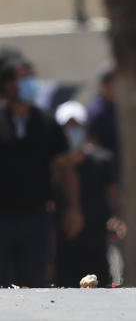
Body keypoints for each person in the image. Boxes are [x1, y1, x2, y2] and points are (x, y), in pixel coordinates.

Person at [0, 54, 84, 287]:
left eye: (31, 77)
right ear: (7, 84)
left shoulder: (47, 122)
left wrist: (73, 208)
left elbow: (66, 168)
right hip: (2, 219)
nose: (31, 84)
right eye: (23, 78)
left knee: (35, 282)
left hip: (36, 218)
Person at [52, 101, 122, 287]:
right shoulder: (53, 164)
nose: (73, 132)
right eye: (68, 127)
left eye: (77, 126)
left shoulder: (101, 161)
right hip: (62, 245)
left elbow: (114, 196)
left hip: (95, 242)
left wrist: (118, 219)